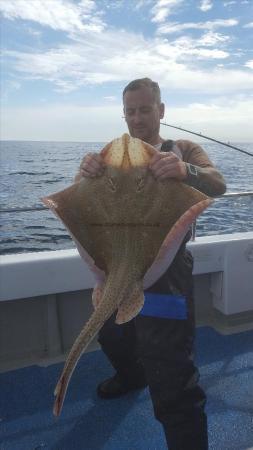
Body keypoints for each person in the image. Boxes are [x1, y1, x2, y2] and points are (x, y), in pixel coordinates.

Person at [75, 78, 226, 450]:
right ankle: (130, 375)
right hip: (116, 264)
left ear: (161, 110)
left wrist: (184, 171)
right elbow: (81, 201)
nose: (137, 118)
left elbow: (218, 184)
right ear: (123, 113)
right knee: (110, 330)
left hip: (168, 269)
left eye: (145, 109)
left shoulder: (183, 148)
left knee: (172, 372)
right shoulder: (112, 154)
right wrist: (84, 172)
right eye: (130, 111)